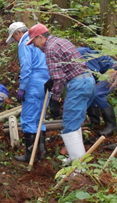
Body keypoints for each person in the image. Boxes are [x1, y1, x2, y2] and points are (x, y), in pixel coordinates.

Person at [26, 24, 95, 163]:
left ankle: (79, 168)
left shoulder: (50, 49)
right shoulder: (62, 41)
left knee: (69, 125)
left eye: (34, 42)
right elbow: (66, 68)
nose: (34, 46)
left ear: (40, 37)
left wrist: (55, 100)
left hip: (78, 85)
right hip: (88, 80)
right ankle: (75, 157)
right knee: (75, 123)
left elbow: (59, 78)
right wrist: (51, 80)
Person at [5, 22, 50, 163]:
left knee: (29, 118)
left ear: (18, 32)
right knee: (40, 118)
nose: (15, 41)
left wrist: (23, 87)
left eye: (14, 37)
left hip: (34, 83)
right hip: (47, 81)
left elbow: (26, 66)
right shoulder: (42, 41)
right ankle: (41, 152)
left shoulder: (26, 42)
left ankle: (30, 154)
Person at [78, 47, 117, 136]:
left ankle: (112, 125)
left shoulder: (80, 52)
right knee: (89, 91)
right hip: (101, 73)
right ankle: (95, 121)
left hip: (113, 71)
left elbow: (94, 70)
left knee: (97, 93)